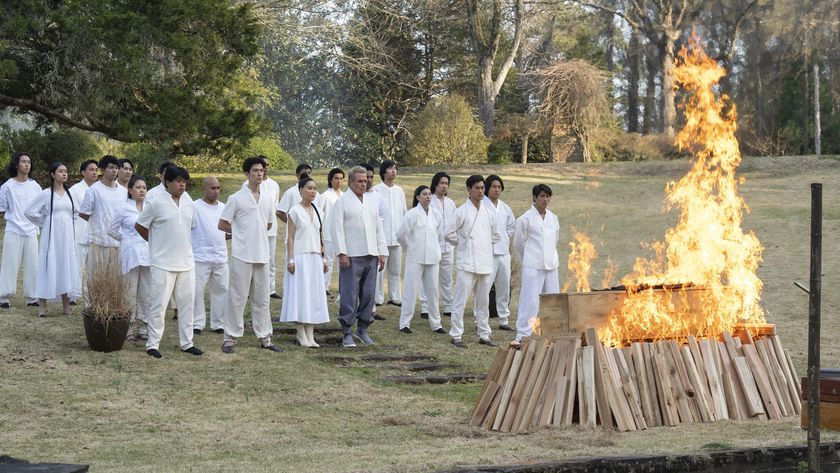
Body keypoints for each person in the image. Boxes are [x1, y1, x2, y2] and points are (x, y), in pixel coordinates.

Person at [135, 166, 202, 358]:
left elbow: (190, 227)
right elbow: (139, 225)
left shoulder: (189, 201)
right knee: (159, 305)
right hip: (162, 263)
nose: (182, 185)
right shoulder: (156, 202)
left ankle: (187, 342)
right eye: (178, 181)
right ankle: (152, 344)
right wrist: (155, 243)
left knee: (187, 304)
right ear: (168, 182)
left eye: (184, 181)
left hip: (186, 262)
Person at [219, 157, 282, 354]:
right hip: (241, 254)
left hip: (262, 254)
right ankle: (230, 337)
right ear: (247, 174)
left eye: (261, 170)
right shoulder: (236, 198)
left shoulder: (268, 197)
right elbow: (222, 224)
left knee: (262, 298)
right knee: (237, 297)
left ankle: (265, 336)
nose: (259, 174)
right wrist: (240, 232)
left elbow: (269, 223)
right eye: (255, 170)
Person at [330, 166, 387, 348]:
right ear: (351, 182)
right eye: (360, 181)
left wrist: (382, 252)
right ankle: (347, 331)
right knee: (349, 293)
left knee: (368, 294)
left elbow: (378, 228)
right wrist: (342, 253)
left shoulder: (371, 201)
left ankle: (362, 329)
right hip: (352, 255)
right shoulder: (342, 202)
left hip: (371, 254)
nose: (364, 184)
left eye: (365, 181)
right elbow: (336, 229)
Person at [446, 175, 501, 348]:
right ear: (469, 190)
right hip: (467, 262)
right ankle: (456, 335)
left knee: (483, 302)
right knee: (460, 300)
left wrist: (483, 244)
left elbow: (497, 235)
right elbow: (448, 233)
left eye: (482, 188)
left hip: (485, 262)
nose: (480, 191)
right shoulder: (461, 211)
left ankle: (484, 334)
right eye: (476, 188)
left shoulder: (489, 212)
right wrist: (464, 243)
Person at [280, 176, 329, 348]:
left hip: (315, 257)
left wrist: (324, 257)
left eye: (315, 188)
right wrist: (291, 259)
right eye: (309, 188)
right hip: (300, 257)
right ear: (301, 190)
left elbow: (321, 236)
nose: (313, 191)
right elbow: (291, 238)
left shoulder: (319, 211)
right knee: (300, 294)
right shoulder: (294, 211)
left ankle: (310, 334)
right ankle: (300, 332)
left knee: (313, 295)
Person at [25, 162, 79, 317]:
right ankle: (42, 307)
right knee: (48, 266)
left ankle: (66, 306)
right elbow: (29, 211)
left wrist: (66, 222)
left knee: (65, 266)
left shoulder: (70, 194)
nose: (64, 174)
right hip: (51, 236)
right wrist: (46, 222)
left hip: (67, 237)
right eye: (61, 171)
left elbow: (75, 213)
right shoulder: (46, 194)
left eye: (66, 171)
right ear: (53, 174)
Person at [513, 184, 560, 343]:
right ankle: (523, 334)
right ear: (534, 197)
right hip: (533, 265)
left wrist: (550, 256)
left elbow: (555, 240)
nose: (545, 200)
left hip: (551, 265)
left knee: (553, 299)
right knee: (530, 301)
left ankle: (552, 332)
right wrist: (527, 260)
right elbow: (518, 243)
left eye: (547, 196)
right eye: (542, 196)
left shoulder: (553, 218)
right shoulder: (524, 218)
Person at [396, 185, 446, 335]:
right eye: (424, 194)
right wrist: (410, 247)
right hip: (415, 258)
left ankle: (436, 324)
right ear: (417, 197)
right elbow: (400, 235)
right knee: (410, 291)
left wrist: (434, 248)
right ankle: (404, 323)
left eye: (430, 194)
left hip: (432, 257)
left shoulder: (436, 214)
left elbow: (440, 235)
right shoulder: (412, 214)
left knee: (432, 291)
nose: (428, 197)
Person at [108, 176, 150, 341]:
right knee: (130, 291)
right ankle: (129, 327)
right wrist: (125, 239)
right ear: (130, 190)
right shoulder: (124, 208)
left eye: (144, 188)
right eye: (138, 187)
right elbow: (111, 229)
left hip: (148, 254)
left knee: (146, 292)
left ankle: (144, 326)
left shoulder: (150, 208)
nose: (141, 190)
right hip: (131, 255)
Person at [0, 152, 42, 308]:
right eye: (23, 162)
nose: (27, 165)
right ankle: (4, 297)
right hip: (13, 229)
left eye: (29, 162)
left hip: (31, 231)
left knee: (33, 265)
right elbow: (2, 207)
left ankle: (32, 297)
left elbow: (40, 207)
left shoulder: (35, 186)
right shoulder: (8, 186)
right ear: (16, 164)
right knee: (9, 264)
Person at [192, 176, 229, 334]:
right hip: (199, 256)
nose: (216, 191)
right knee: (196, 291)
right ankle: (196, 323)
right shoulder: (194, 207)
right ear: (204, 188)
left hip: (220, 256)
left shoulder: (224, 207)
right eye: (213, 188)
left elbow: (230, 229)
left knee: (222, 290)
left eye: (218, 188)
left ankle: (218, 323)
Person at [241, 156, 281, 298]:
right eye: (261, 167)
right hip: (253, 231)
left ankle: (270, 290)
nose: (265, 169)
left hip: (270, 229)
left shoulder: (274, 185)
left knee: (270, 261)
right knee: (251, 260)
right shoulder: (247, 185)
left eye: (266, 166)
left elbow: (274, 207)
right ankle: (249, 289)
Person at [419, 172, 456, 319]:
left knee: (446, 277)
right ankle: (425, 306)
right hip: (432, 245)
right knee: (429, 277)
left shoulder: (451, 203)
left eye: (446, 183)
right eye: (441, 183)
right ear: (435, 184)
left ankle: (447, 304)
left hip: (448, 247)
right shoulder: (429, 200)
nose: (444, 186)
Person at [79, 155, 124, 275]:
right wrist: (98, 223)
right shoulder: (94, 190)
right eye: (111, 167)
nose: (114, 170)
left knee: (115, 279)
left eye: (116, 168)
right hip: (98, 241)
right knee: (96, 277)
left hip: (118, 242)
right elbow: (84, 213)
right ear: (103, 170)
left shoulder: (123, 191)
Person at [484, 175, 516, 331]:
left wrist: (503, 238)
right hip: (487, 253)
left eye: (499, 187)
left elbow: (511, 227)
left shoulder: (505, 207)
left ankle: (503, 319)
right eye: (493, 186)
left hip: (503, 253)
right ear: (487, 188)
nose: (497, 189)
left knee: (504, 287)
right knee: (484, 288)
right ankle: (481, 320)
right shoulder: (482, 205)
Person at [373, 160, 406, 308]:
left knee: (395, 269)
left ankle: (395, 296)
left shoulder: (399, 191)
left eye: (395, 168)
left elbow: (404, 213)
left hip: (397, 237)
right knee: (380, 270)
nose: (393, 171)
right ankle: (378, 298)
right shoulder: (376, 190)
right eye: (390, 169)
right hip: (382, 237)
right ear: (384, 172)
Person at [68, 159, 98, 300]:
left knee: (94, 269)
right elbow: (71, 212)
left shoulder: (99, 189)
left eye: (96, 170)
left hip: (95, 234)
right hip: (79, 232)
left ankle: (91, 295)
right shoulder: (75, 190)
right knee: (77, 266)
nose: (94, 172)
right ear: (83, 172)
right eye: (91, 169)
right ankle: (73, 295)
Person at [361, 163, 386, 319]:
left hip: (373, 242)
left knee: (372, 278)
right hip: (357, 245)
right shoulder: (349, 197)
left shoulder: (377, 196)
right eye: (365, 178)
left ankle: (371, 309)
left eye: (371, 177)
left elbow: (380, 220)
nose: (368, 181)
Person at [317, 167, 344, 294]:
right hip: (328, 234)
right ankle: (323, 287)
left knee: (342, 263)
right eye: (336, 178)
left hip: (343, 234)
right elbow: (318, 215)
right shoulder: (325, 196)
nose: (339, 181)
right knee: (328, 261)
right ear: (331, 180)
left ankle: (343, 288)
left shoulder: (345, 196)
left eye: (341, 179)